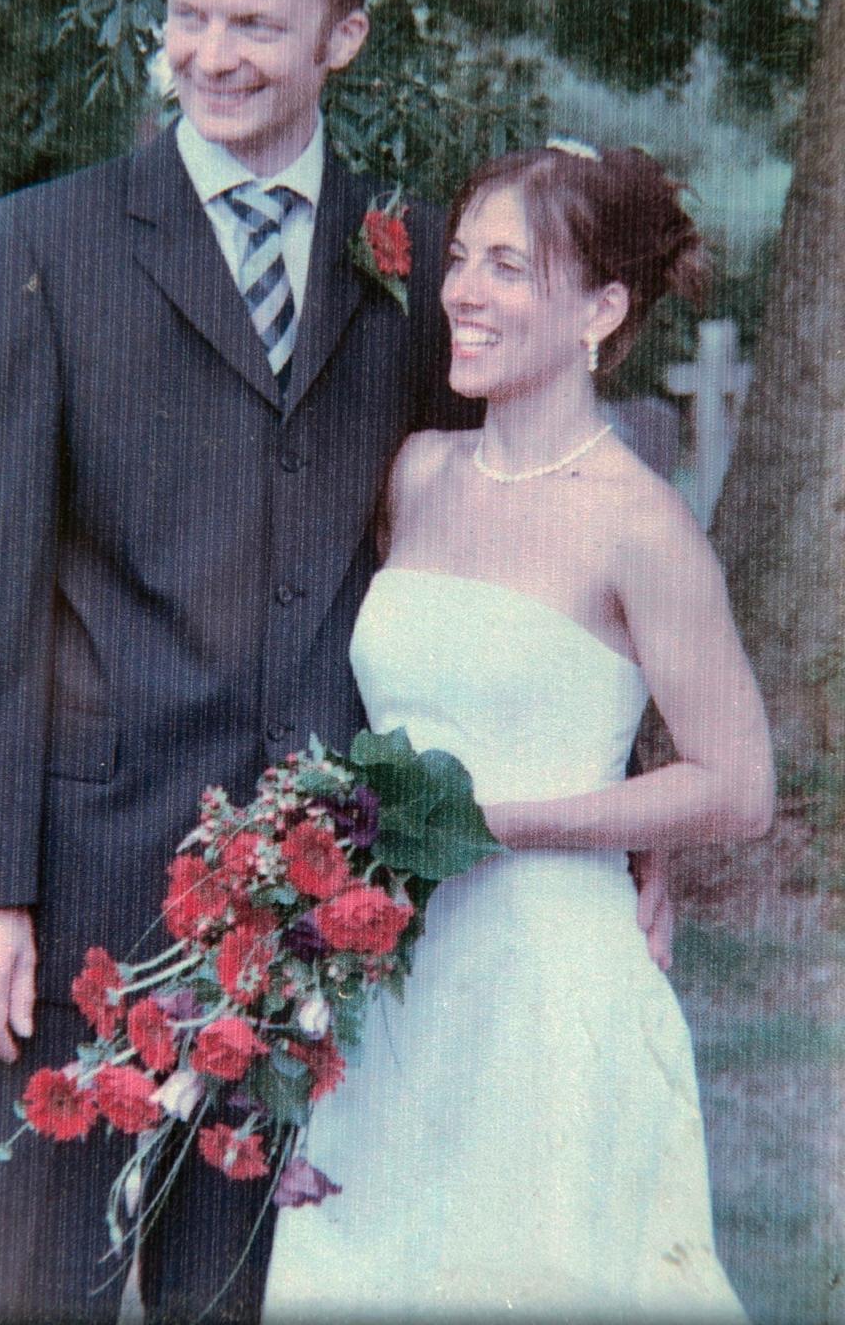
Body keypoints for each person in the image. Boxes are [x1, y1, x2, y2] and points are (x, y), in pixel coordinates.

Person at [0, 0, 669, 1324]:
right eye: (190, 15)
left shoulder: (418, 259)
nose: (212, 54)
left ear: (343, 39)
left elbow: (508, 542)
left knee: (254, 1293)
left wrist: (630, 814)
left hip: (323, 905)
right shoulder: (42, 249)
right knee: (10, 1293)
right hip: (79, 884)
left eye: (258, 24)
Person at [262, 144, 775, 1321]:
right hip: (390, 987)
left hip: (547, 990)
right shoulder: (418, 474)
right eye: (458, 261)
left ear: (601, 310)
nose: (463, 293)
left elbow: (739, 786)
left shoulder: (641, 526)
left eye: (508, 266)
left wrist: (494, 824)